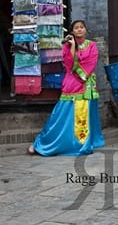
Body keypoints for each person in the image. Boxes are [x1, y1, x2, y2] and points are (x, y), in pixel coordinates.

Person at [28, 20, 104, 156]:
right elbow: (69, 64)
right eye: (76, 28)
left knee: (84, 117)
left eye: (82, 27)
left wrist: (79, 69)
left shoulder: (92, 46)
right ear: (72, 31)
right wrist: (73, 46)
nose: (79, 30)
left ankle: (81, 143)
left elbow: (91, 63)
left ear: (85, 30)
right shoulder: (67, 46)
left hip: (86, 85)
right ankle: (44, 142)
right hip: (71, 84)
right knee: (60, 116)